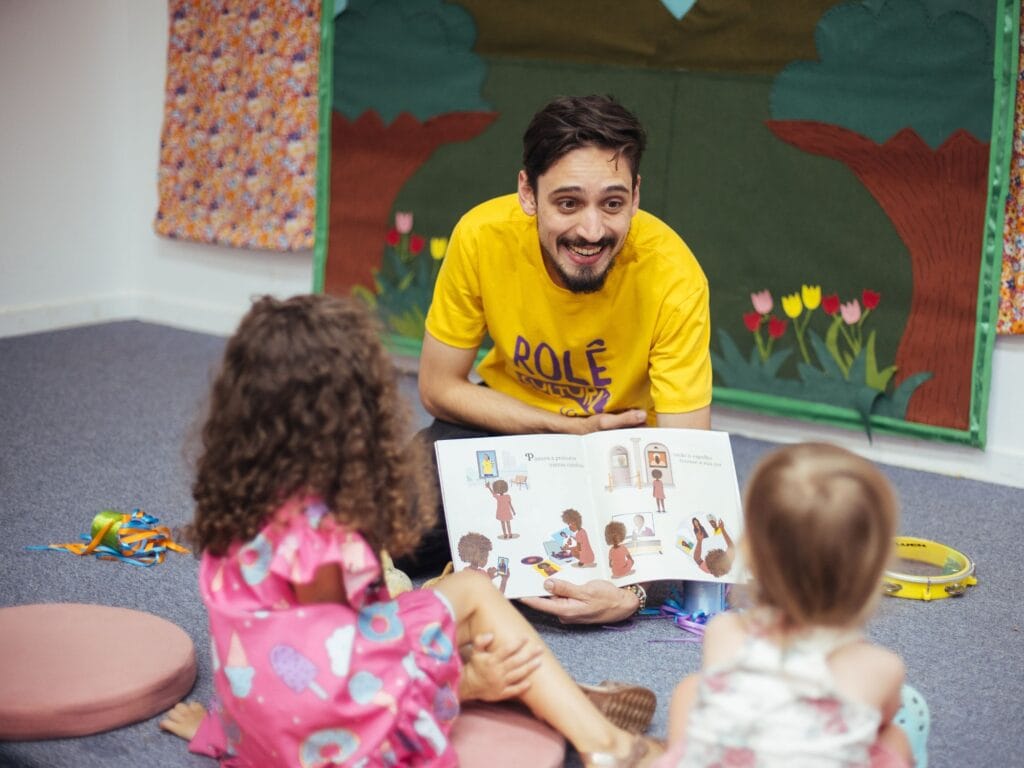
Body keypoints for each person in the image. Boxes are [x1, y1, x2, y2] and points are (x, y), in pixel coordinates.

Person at [158, 295, 661, 767]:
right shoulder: (327, 534)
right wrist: (464, 684)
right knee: (476, 598)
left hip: (261, 715)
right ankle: (603, 742)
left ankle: (540, 692)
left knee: (459, 595)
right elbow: (344, 674)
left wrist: (228, 726)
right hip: (337, 738)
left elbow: (279, 639)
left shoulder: (237, 501)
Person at [409, 94, 712, 624]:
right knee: (369, 530)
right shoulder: (481, 236)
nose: (591, 232)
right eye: (568, 204)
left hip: (620, 453)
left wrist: (635, 594)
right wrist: (565, 427)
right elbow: (439, 388)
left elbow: (683, 458)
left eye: (612, 204)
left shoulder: (675, 275)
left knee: (628, 564)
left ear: (636, 196)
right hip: (502, 425)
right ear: (528, 193)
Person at [654, 443, 914, 767]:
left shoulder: (724, 632)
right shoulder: (880, 667)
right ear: (875, 569)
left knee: (691, 690)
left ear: (751, 555)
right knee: (895, 737)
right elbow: (883, 717)